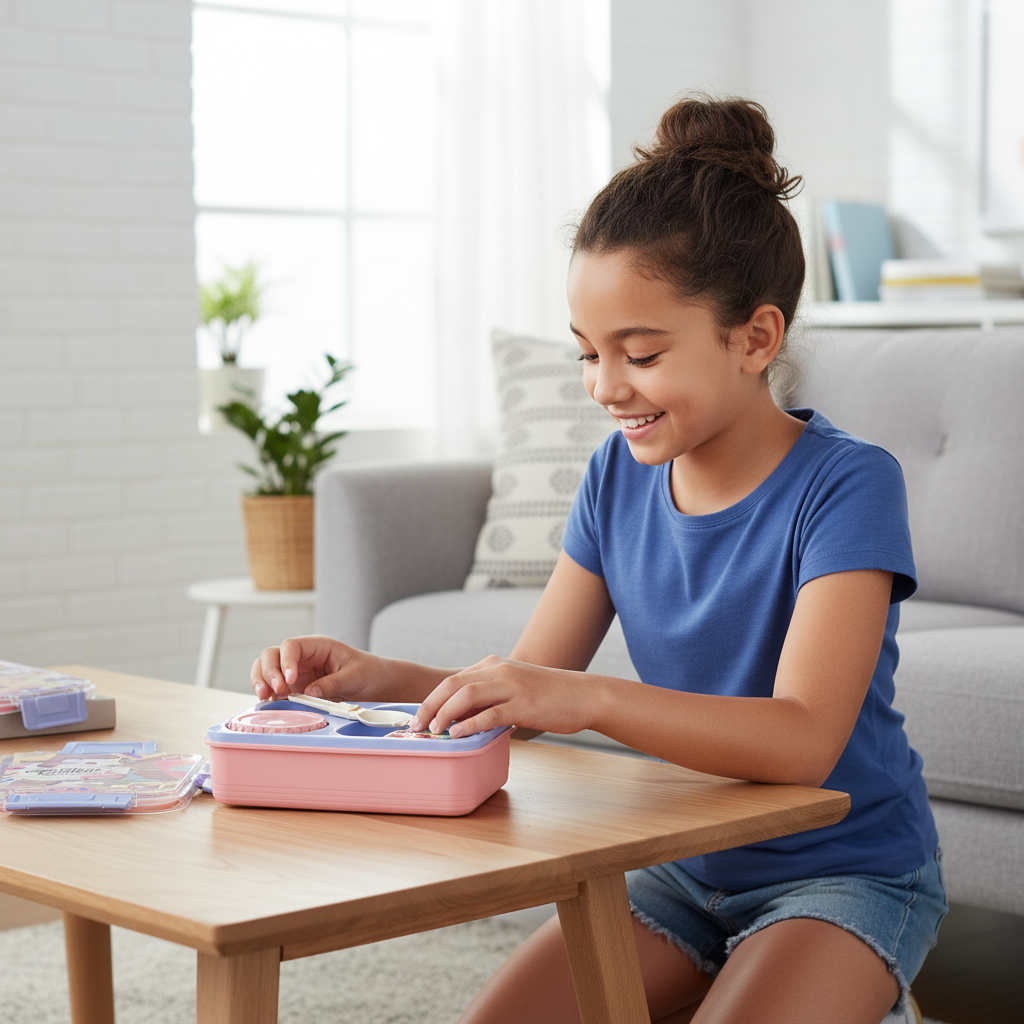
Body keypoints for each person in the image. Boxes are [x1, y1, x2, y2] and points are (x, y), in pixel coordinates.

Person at [251, 96, 946, 1024]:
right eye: (587, 354)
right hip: (679, 869)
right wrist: (379, 679)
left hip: (844, 868)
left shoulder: (848, 484)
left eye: (642, 353)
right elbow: (532, 691)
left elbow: (804, 739)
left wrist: (593, 701)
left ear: (755, 338)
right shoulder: (615, 477)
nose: (606, 388)